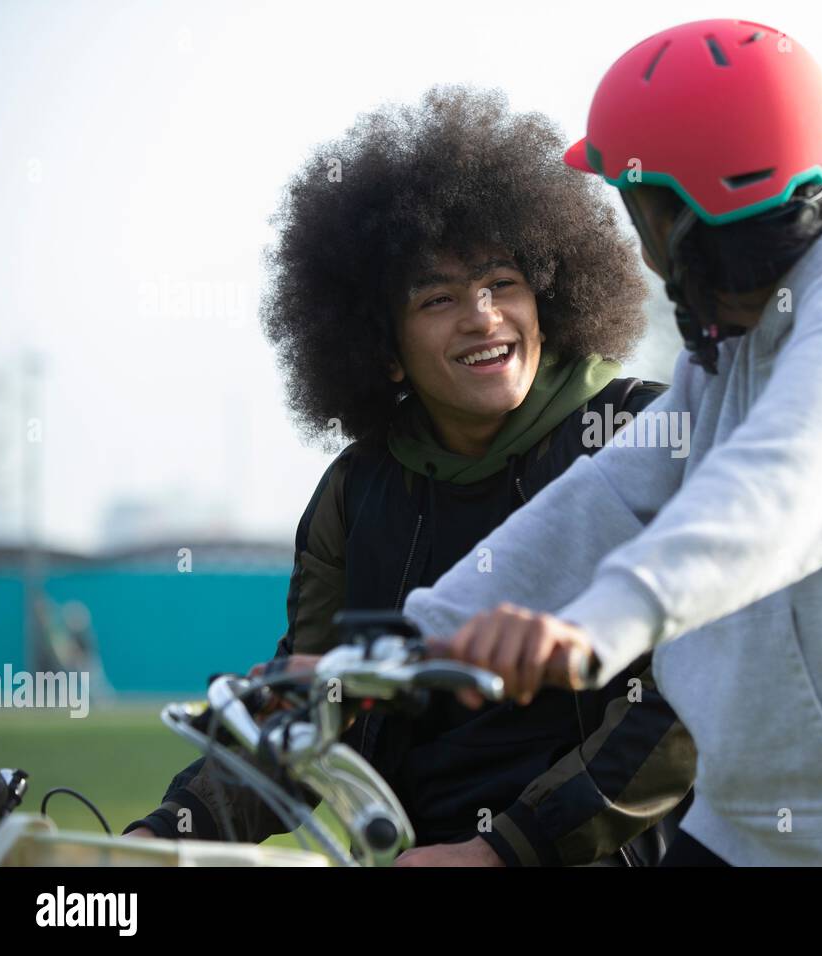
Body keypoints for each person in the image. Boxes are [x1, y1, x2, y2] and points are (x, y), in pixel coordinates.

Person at [401, 20, 822, 865]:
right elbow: (609, 497)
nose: (634, 237)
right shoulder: (734, 345)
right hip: (746, 825)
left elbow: (783, 479)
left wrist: (602, 623)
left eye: (635, 203)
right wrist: (410, 641)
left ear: (680, 214)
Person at [123, 86, 696, 867]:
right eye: (439, 297)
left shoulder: (643, 433)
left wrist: (506, 851)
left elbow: (688, 703)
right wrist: (157, 839)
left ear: (550, 297)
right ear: (381, 347)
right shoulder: (356, 491)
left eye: (503, 283)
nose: (484, 316)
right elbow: (310, 717)